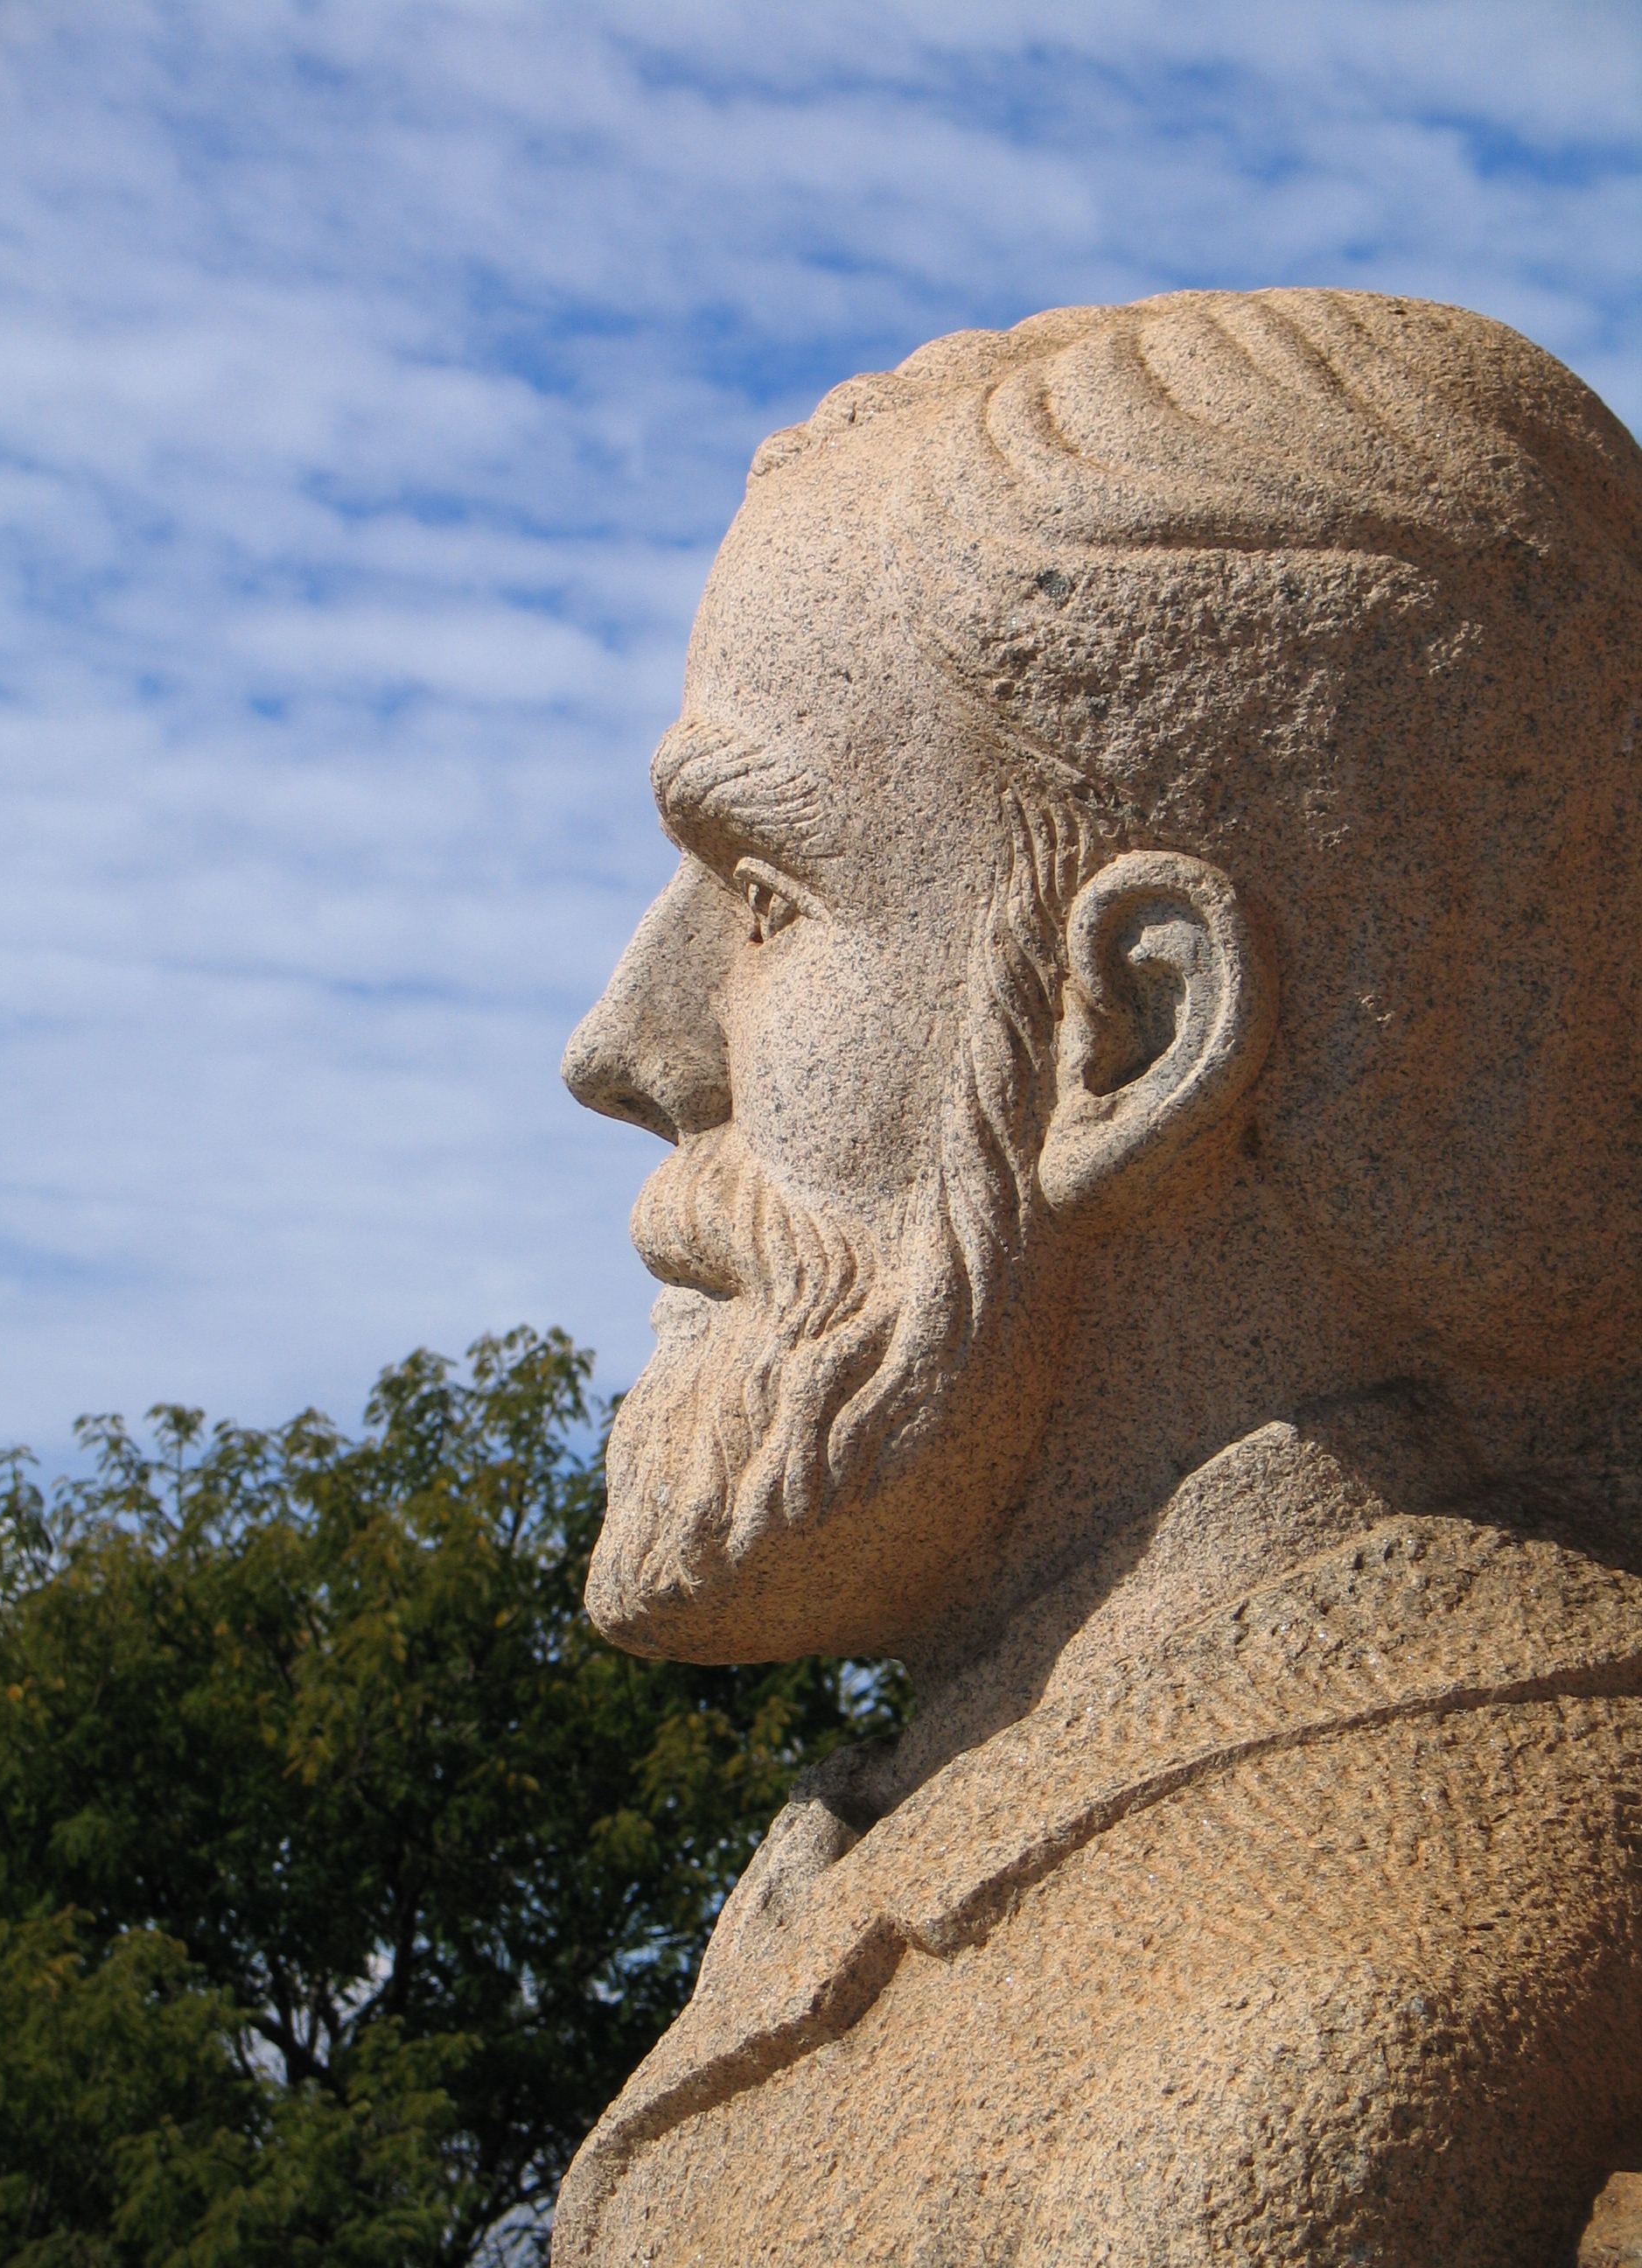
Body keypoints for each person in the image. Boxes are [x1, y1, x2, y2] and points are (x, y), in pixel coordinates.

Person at [554, 289, 1642, 2265]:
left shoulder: (1296, 2065)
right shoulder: (1036, 1829)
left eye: (765, 897)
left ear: (1132, 1034)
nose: (625, 1044)